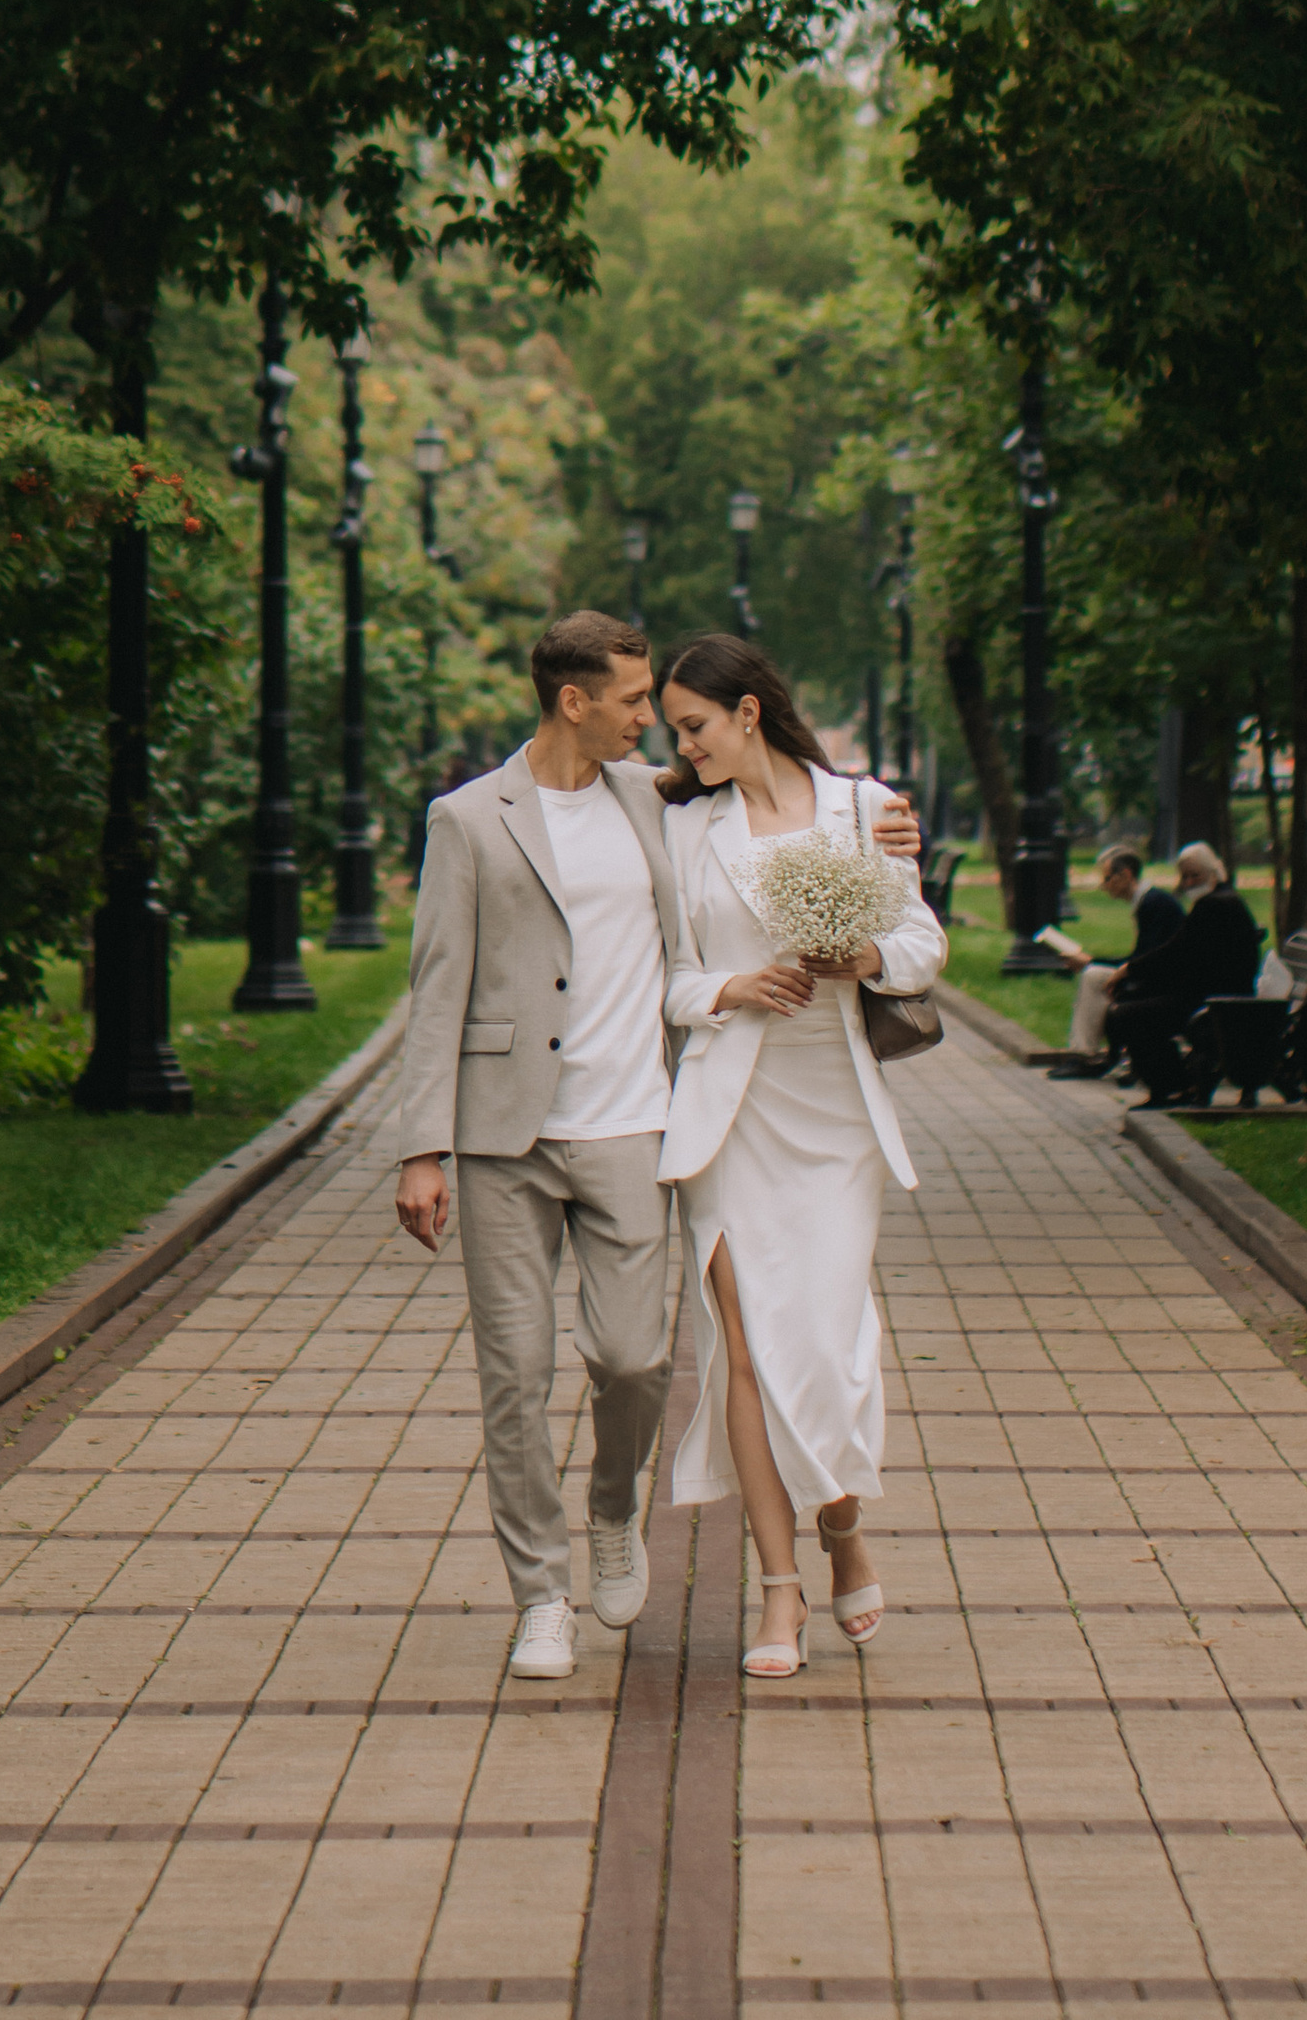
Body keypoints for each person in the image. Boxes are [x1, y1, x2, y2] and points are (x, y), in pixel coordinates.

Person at [394, 610, 924, 1686]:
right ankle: (547, 1598)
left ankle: (625, 1509)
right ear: (572, 701)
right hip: (527, 1129)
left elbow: (808, 821)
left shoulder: (663, 801)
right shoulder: (476, 819)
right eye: (639, 706)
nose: (660, 729)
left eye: (672, 712)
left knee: (641, 1361)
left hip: (644, 1123)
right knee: (520, 1375)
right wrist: (422, 1148)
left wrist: (881, 852)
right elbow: (435, 984)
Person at [653, 634, 948, 1684]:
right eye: (671, 731)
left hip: (834, 1114)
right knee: (743, 1348)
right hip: (732, 1108)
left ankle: (841, 1530)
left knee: (824, 1345)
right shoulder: (687, 832)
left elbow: (920, 944)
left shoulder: (865, 808)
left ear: (746, 711)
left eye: (692, 726)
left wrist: (859, 956)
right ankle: (778, 1591)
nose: (680, 747)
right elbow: (672, 978)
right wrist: (730, 991)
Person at [1104, 840, 1265, 1101]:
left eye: (1195, 875)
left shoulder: (1214, 905)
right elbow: (1185, 952)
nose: (1188, 883)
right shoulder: (1221, 899)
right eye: (1184, 876)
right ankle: (1176, 1084)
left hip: (1218, 1003)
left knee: (1125, 1016)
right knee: (1134, 1005)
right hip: (1217, 994)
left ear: (1213, 872)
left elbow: (1175, 951)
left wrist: (1129, 970)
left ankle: (1171, 1088)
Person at [1042, 848, 1186, 1080]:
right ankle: (1089, 1054)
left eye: (1107, 878)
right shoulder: (1150, 901)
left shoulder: (1153, 903)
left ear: (1126, 875)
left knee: (1093, 975)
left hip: (1165, 980)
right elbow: (1143, 956)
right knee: (1094, 973)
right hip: (1160, 974)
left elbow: (1144, 958)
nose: (1104, 885)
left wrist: (1092, 961)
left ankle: (1084, 1054)